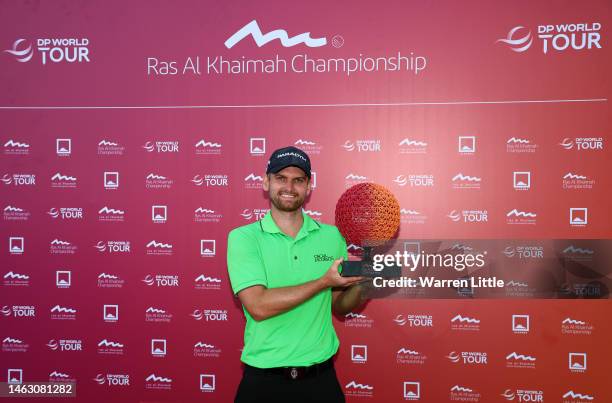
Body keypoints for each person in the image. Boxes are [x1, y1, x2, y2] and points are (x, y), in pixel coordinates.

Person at [227, 146, 367, 403]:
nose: (289, 187)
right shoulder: (243, 238)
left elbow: (339, 305)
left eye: (298, 180)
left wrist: (365, 284)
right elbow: (258, 305)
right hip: (263, 382)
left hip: (320, 380)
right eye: (281, 178)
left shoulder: (332, 236)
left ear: (309, 186)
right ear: (265, 181)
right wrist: (323, 281)